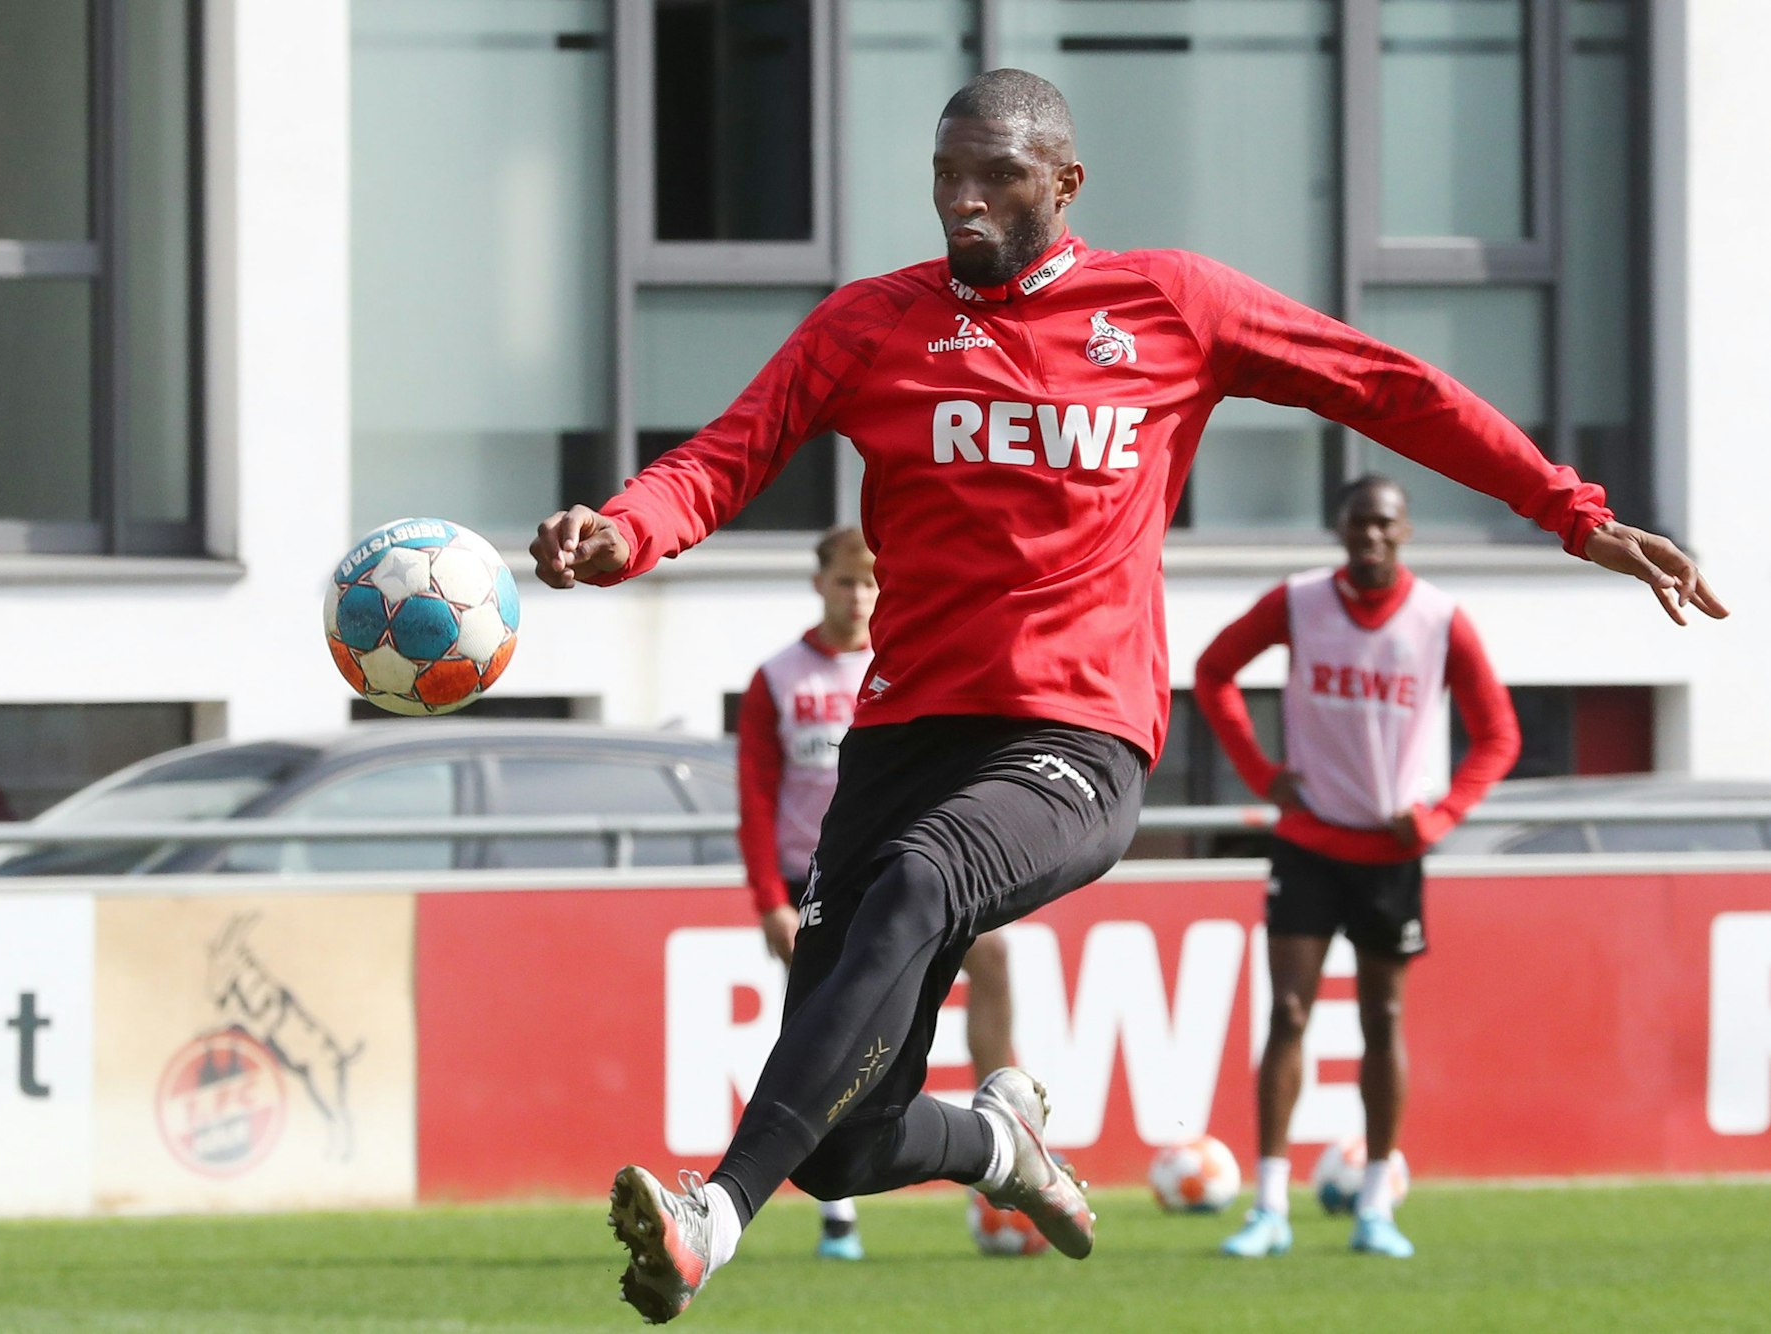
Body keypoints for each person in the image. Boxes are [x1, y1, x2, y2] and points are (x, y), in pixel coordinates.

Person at [530, 69, 1724, 1324]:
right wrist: (621, 530)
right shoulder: (869, 323)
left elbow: (1383, 384)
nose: (963, 201)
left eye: (995, 176)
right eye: (945, 175)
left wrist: (1569, 510)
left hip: (1075, 736)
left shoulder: (1168, 305)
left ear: (1064, 183)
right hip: (901, 738)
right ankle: (998, 1143)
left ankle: (714, 1213)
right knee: (840, 1141)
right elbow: (723, 457)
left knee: (923, 879)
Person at [1194, 474, 1520, 1260]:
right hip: (1308, 840)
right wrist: (1260, 771)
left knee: (1383, 1020)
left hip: (1389, 854)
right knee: (1289, 1013)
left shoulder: (1439, 619)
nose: (1370, 535)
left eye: (1384, 523)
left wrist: (1441, 816)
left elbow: (1498, 734)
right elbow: (1212, 671)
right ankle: (1269, 1206)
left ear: (1405, 531)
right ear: (1340, 530)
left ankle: (1376, 1206)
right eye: (1358, 523)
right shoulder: (1299, 602)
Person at [735, 525, 1016, 1261]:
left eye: (870, 583)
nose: (858, 596)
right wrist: (768, 898)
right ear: (819, 584)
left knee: (993, 958)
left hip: (907, 868)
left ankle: (1006, 1119)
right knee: (821, 1031)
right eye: (845, 581)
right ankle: (838, 1214)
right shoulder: (780, 677)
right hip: (816, 879)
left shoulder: (907, 663)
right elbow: (756, 794)